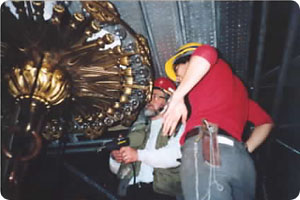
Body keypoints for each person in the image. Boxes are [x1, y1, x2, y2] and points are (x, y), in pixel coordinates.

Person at [162, 43, 274, 200]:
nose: (178, 79)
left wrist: (177, 97)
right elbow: (265, 122)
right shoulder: (238, 91)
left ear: (189, 59)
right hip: (241, 161)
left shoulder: (209, 66)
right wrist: (245, 148)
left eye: (177, 71)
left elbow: (206, 51)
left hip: (208, 145)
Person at [109, 77, 184, 200]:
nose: (150, 100)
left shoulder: (178, 126)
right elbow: (118, 171)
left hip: (161, 194)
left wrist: (138, 155)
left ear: (169, 102)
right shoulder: (137, 129)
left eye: (156, 96)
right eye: (149, 96)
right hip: (131, 191)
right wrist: (116, 158)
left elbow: (174, 156)